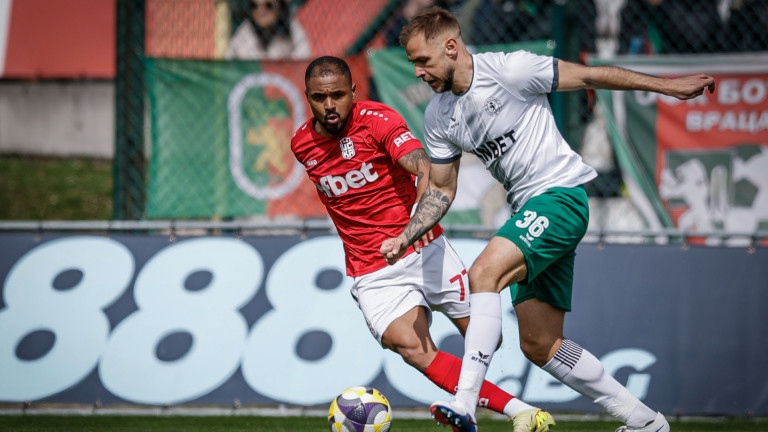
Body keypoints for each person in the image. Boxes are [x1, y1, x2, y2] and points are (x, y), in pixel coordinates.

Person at [381, 7, 715, 432]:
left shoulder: (510, 70)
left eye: (422, 61)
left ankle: (465, 402)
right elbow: (442, 190)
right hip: (529, 212)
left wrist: (669, 87)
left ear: (450, 47)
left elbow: (591, 76)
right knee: (541, 344)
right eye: (413, 63)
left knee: (483, 274)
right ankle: (645, 421)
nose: (417, 72)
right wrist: (407, 235)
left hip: (560, 198)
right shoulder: (437, 116)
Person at [290, 55, 556, 432]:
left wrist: (413, 225)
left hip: (422, 247)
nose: (330, 105)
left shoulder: (379, 121)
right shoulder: (301, 144)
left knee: (488, 338)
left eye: (338, 95)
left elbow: (423, 166)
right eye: (320, 97)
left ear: (353, 92)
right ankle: (521, 412)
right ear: (308, 97)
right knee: (411, 348)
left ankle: (478, 394)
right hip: (371, 268)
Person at [225, 0, 310, 60]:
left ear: (279, 6)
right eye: (254, 6)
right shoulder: (245, 31)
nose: (260, 11)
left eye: (268, 5)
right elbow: (229, 64)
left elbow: (303, 63)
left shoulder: (293, 30)